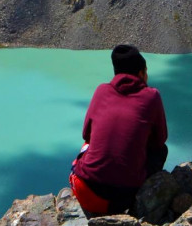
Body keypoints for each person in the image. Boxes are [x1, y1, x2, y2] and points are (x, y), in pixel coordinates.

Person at [69, 44, 168, 215]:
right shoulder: (151, 96)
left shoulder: (101, 90)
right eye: (146, 71)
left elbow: (86, 135)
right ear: (140, 73)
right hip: (122, 199)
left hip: (86, 192)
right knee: (160, 151)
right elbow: (160, 140)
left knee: (88, 145)